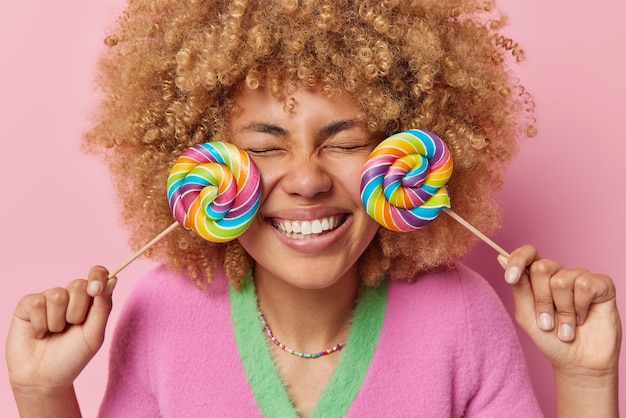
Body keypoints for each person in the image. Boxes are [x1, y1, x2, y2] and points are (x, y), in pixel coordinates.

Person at [6, 0, 621, 417]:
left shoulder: (461, 318)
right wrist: (43, 392)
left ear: (406, 156)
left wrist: (588, 379)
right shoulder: (159, 315)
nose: (306, 179)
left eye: (347, 142)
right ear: (200, 162)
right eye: (265, 146)